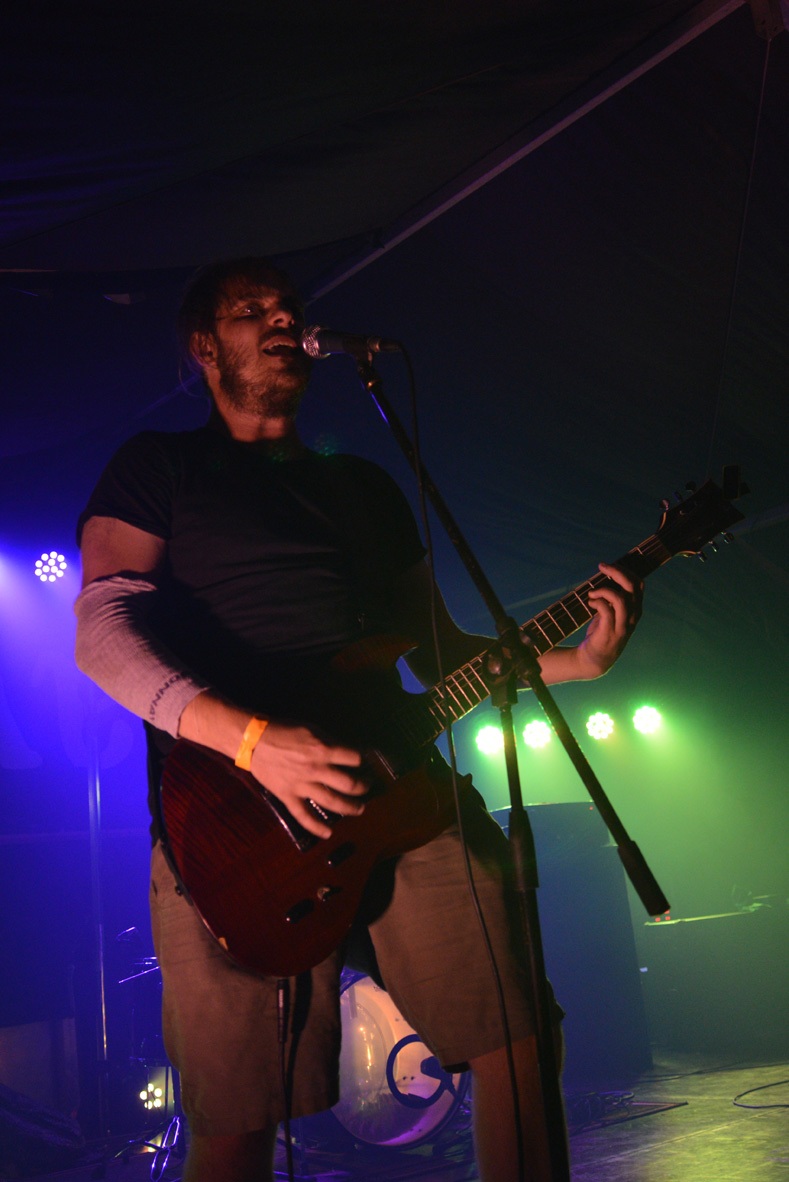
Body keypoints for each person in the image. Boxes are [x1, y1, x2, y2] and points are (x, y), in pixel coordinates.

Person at [74, 257, 643, 1182]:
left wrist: (581, 661)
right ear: (204, 347)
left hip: (406, 794)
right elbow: (102, 635)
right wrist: (255, 743)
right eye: (251, 310)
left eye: (289, 307)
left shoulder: (366, 487)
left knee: (517, 1037)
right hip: (234, 825)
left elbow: (444, 655)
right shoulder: (159, 467)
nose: (281, 319)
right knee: (238, 1115)